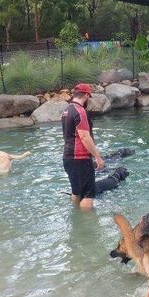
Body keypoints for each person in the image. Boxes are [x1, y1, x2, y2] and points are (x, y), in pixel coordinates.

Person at [62, 83, 104, 211]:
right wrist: (98, 157)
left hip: (68, 158)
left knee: (76, 192)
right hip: (81, 159)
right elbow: (85, 137)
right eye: (89, 97)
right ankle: (87, 228)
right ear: (86, 95)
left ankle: (76, 220)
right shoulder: (80, 111)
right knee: (88, 195)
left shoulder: (66, 110)